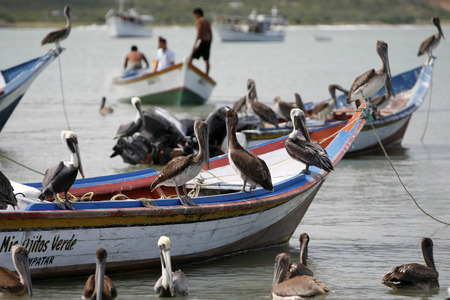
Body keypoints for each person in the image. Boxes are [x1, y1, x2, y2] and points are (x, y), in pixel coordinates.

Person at [188, 7, 212, 76]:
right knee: (206, 60)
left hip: (201, 41)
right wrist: (210, 42)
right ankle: (207, 74)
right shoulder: (207, 21)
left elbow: (199, 34)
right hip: (208, 42)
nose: (195, 16)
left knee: (191, 58)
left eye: (195, 15)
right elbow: (210, 32)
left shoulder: (199, 21)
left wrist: (195, 45)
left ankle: (188, 72)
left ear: (198, 14)